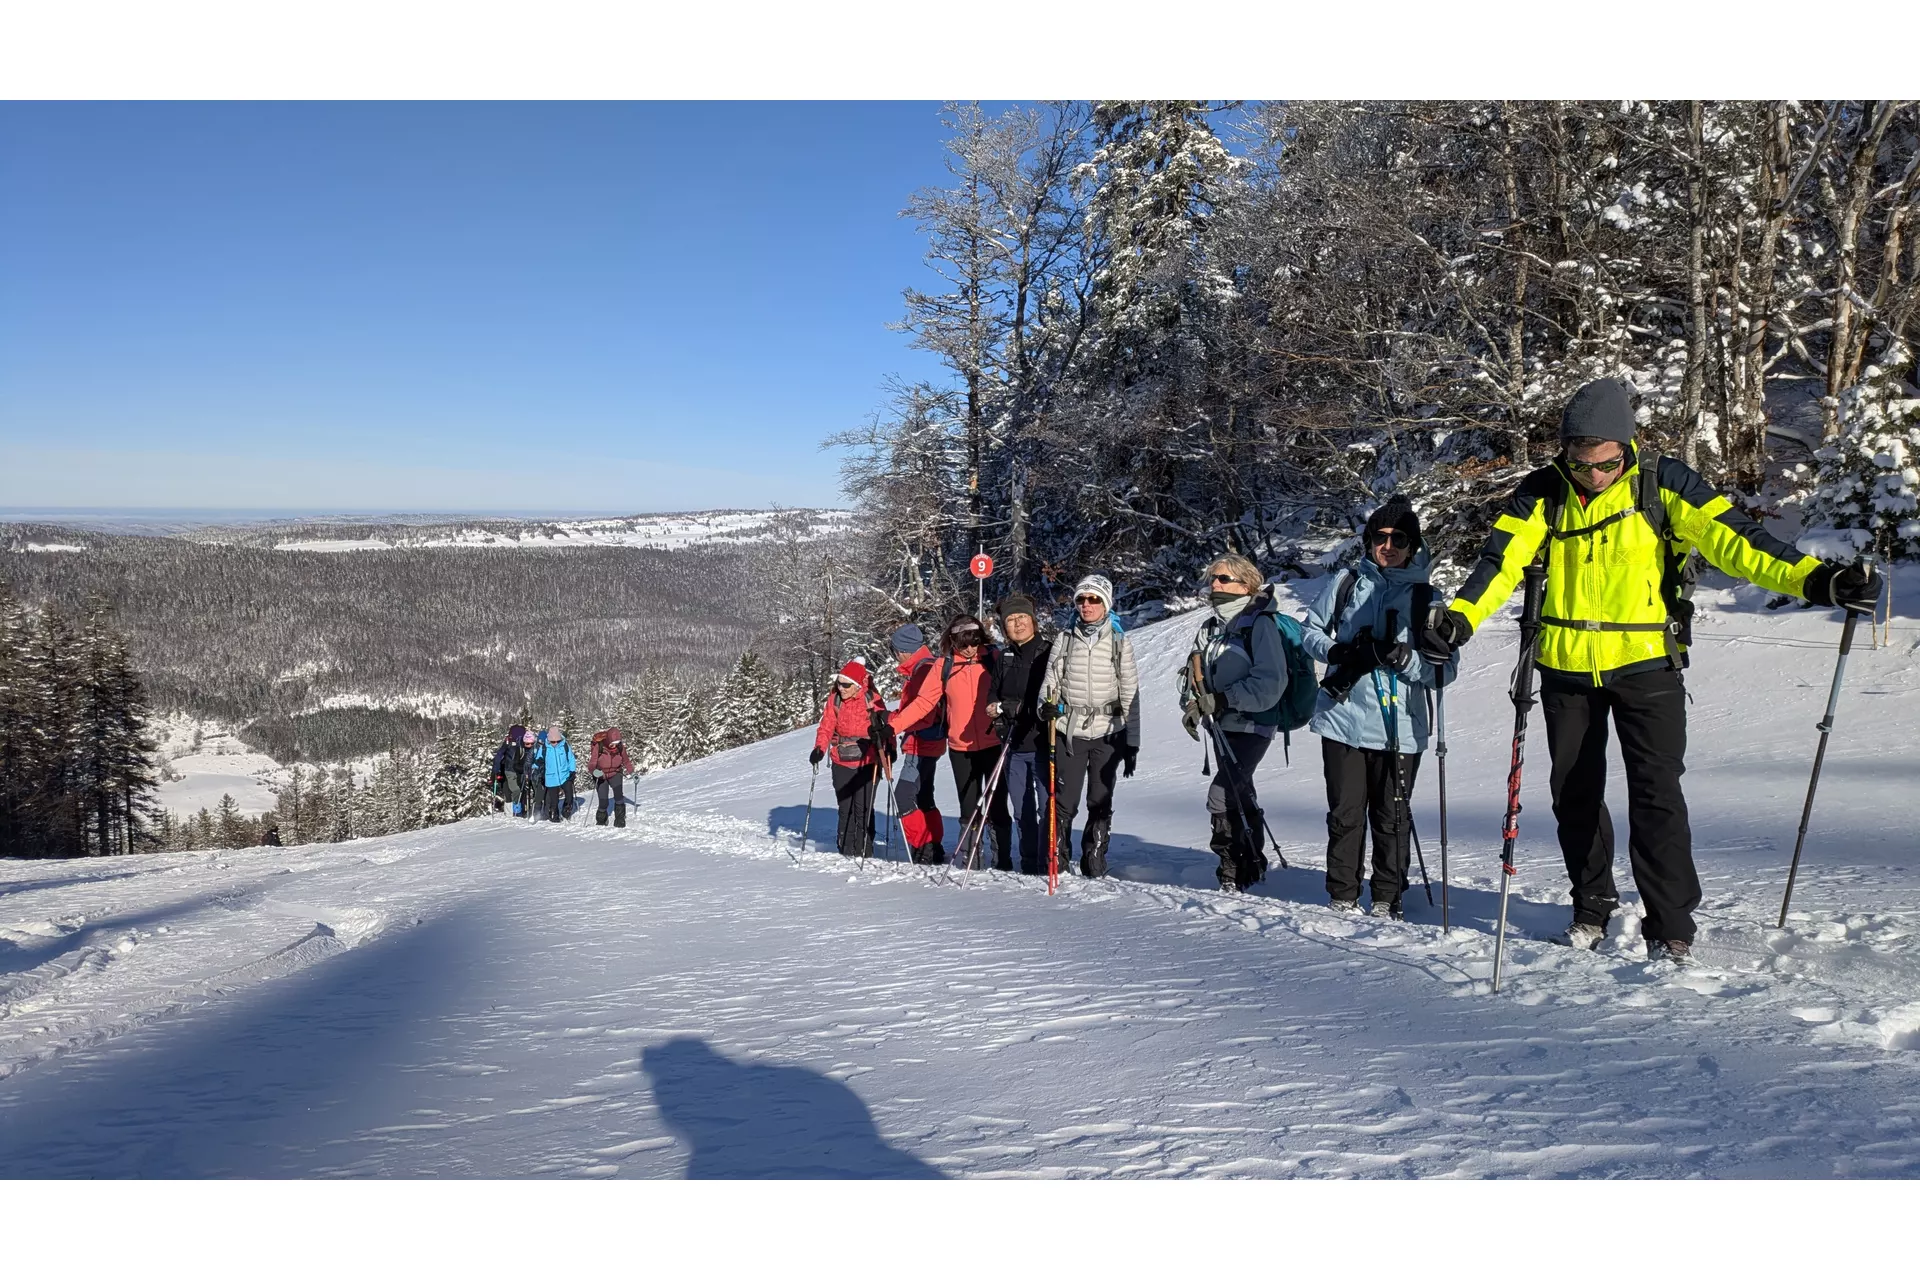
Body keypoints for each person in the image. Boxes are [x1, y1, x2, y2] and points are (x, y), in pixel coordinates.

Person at [1426, 377, 1882, 962]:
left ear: (1626, 446)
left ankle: (1670, 924)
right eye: (1580, 462)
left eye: (1605, 464)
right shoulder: (1542, 493)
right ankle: (1592, 903)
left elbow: (1740, 542)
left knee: (1656, 794)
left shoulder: (1664, 485)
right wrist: (1460, 620)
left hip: (1646, 666)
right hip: (1566, 667)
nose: (1593, 476)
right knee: (1574, 793)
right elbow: (1501, 561)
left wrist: (1818, 581)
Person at [1301, 497, 1457, 919]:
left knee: (1392, 817)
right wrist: (1337, 651)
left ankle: (1388, 896)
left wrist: (1406, 660)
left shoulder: (1429, 598)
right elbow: (1310, 630)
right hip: (1342, 718)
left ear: (1413, 543)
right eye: (1380, 537)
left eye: (1398, 538)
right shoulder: (1348, 581)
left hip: (1402, 726)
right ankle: (1343, 895)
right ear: (1369, 541)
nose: (1388, 545)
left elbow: (1446, 671)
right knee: (1346, 815)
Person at [1178, 555, 1286, 891]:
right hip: (1221, 727)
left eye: (1224, 579)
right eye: (1213, 579)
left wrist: (1224, 699)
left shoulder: (1260, 624)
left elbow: (1270, 682)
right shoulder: (1210, 628)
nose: (1215, 585)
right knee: (1241, 792)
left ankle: (1232, 871)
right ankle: (1254, 864)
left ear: (1246, 584)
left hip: (1253, 725)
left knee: (1221, 795)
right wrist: (1193, 705)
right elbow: (1191, 678)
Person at [1039, 575, 1140, 879]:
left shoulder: (1120, 641)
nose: (1086, 605)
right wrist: (1045, 706)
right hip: (1070, 732)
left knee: (1100, 798)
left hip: (1108, 732)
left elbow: (1131, 693)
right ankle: (1057, 856)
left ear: (1106, 603)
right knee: (1065, 800)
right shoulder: (1065, 639)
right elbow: (1050, 683)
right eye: (1081, 599)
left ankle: (1094, 859)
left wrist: (1132, 741)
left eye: (1093, 599)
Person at [894, 615, 1007, 869]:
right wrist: (892, 727)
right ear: (952, 640)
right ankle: (972, 857)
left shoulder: (992, 658)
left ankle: (1004, 859)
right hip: (961, 748)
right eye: (962, 643)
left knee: (997, 803)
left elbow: (1010, 689)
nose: (969, 648)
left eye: (974, 642)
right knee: (968, 806)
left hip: (993, 742)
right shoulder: (944, 665)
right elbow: (923, 703)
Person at [985, 593, 1053, 875]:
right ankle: (1028, 864)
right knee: (1022, 810)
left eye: (1022, 617)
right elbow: (994, 692)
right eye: (1011, 620)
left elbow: (1049, 696)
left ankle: (1048, 862)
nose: (1018, 623)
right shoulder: (1006, 656)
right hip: (1014, 745)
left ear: (1033, 621)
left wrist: (1012, 707)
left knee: (1047, 809)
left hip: (1042, 742)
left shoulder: (1049, 652)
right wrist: (994, 708)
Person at [809, 658, 886, 858]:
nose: (841, 688)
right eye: (839, 683)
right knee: (845, 808)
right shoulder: (834, 699)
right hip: (841, 760)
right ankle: (845, 849)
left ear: (858, 685)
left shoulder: (872, 699)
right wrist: (819, 748)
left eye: (846, 685)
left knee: (863, 808)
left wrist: (889, 750)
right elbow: (827, 726)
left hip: (867, 761)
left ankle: (864, 849)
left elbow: (885, 727)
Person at [886, 623, 948, 864]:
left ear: (903, 651)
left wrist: (891, 721)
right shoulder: (926, 666)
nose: (895, 655)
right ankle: (934, 845)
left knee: (903, 796)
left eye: (895, 650)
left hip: (921, 744)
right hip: (930, 742)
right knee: (924, 796)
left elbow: (922, 712)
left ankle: (925, 846)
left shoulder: (923, 670)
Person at [589, 727, 636, 828]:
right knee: (603, 801)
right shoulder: (599, 746)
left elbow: (626, 761)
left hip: (615, 773)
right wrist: (594, 771)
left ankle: (620, 820)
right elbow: (591, 764)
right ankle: (601, 821)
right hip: (601, 775)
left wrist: (633, 773)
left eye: (617, 743)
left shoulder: (620, 747)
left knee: (619, 797)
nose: (615, 745)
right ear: (609, 740)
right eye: (613, 743)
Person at [536, 725, 577, 823]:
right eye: (552, 741)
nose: (555, 743)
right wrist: (541, 769)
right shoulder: (544, 748)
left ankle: (566, 810)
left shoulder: (565, 746)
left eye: (557, 741)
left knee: (569, 795)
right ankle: (554, 817)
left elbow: (571, 759)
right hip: (551, 777)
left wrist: (572, 771)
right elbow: (538, 760)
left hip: (565, 775)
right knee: (554, 801)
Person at [491, 724, 527, 815]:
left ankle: (513, 811)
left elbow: (499, 756)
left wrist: (495, 770)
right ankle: (518, 809)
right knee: (517, 790)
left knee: (513, 790)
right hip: (517, 770)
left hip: (510, 769)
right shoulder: (523, 742)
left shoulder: (509, 742)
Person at [518, 728, 544, 822]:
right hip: (528, 774)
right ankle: (527, 811)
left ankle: (537, 812)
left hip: (536, 774)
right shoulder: (521, 749)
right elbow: (523, 764)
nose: (529, 746)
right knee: (528, 793)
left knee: (538, 793)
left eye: (531, 743)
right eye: (527, 743)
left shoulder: (537, 748)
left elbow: (532, 762)